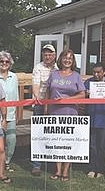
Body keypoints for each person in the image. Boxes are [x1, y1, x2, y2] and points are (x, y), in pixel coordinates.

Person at [47, 49, 85, 182]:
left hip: (70, 112)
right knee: (57, 141)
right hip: (54, 113)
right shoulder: (53, 74)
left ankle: (65, 171)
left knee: (69, 142)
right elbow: (47, 92)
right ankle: (57, 170)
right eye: (65, 57)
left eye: (70, 58)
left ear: (73, 61)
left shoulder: (76, 76)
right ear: (60, 59)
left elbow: (82, 94)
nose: (67, 60)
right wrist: (47, 108)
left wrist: (66, 99)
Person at [84, 62, 105, 179]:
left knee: (103, 146)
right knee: (92, 145)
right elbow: (82, 94)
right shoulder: (88, 82)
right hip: (92, 117)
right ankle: (92, 168)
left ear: (104, 72)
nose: (96, 74)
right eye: (94, 72)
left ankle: (101, 169)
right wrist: (86, 93)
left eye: (99, 72)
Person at [31, 44, 57, 176]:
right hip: (40, 104)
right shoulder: (38, 67)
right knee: (38, 135)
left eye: (50, 54)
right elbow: (36, 85)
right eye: (45, 54)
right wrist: (38, 99)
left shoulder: (58, 68)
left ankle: (52, 164)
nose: (47, 57)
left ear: (54, 55)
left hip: (55, 106)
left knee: (53, 135)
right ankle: (36, 165)